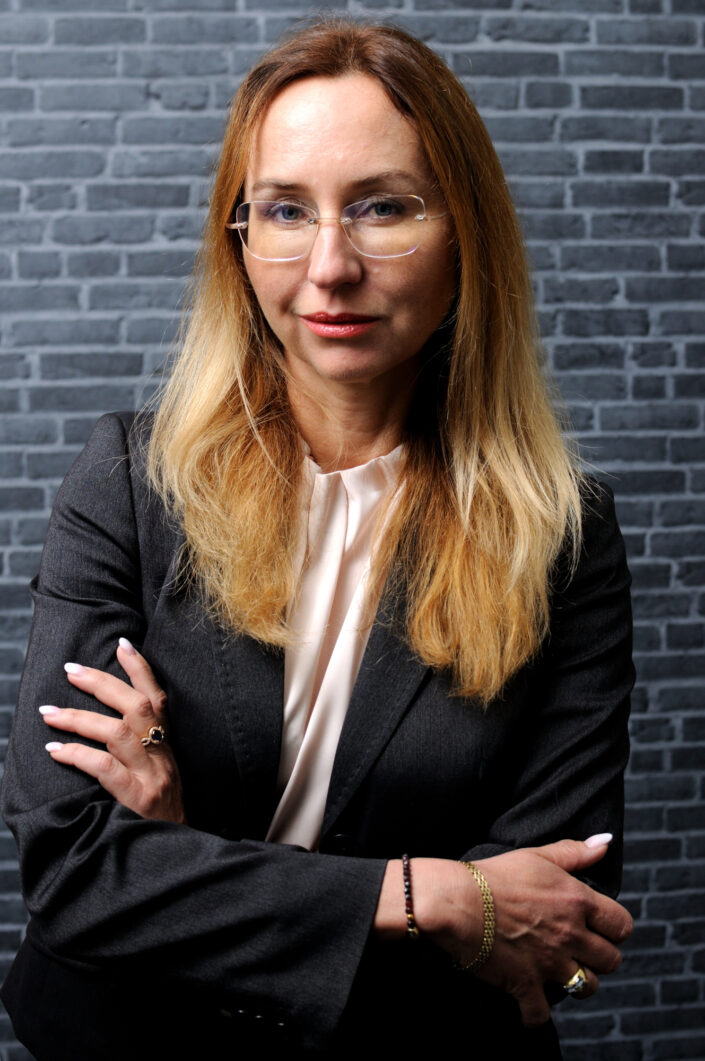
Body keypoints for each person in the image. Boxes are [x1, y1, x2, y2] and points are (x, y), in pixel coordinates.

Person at [1, 18, 634, 1061]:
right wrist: (435, 894)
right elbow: (73, 872)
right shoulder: (130, 481)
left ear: (464, 231)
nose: (330, 266)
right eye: (286, 210)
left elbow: (554, 924)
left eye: (384, 207)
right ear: (240, 240)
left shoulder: (563, 534)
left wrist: (180, 854)